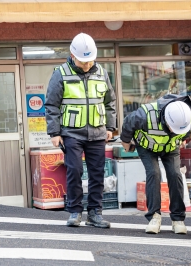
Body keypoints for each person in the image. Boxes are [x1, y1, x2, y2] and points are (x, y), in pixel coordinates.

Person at [45, 33, 117, 228]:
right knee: (75, 171)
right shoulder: (60, 73)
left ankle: (95, 213)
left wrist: (110, 127)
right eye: (83, 61)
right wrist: (54, 132)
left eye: (90, 60)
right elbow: (51, 105)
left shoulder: (101, 72)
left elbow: (110, 102)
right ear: (72, 55)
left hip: (97, 132)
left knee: (97, 173)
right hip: (71, 133)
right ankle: (75, 211)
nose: (87, 65)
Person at [120, 94, 191, 234]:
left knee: (175, 174)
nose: (174, 131)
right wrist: (127, 144)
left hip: (170, 147)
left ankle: (178, 218)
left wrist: (181, 139)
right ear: (165, 119)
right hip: (147, 146)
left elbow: (186, 135)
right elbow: (126, 127)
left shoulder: (190, 115)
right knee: (154, 173)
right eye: (172, 128)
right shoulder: (143, 116)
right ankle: (154, 216)